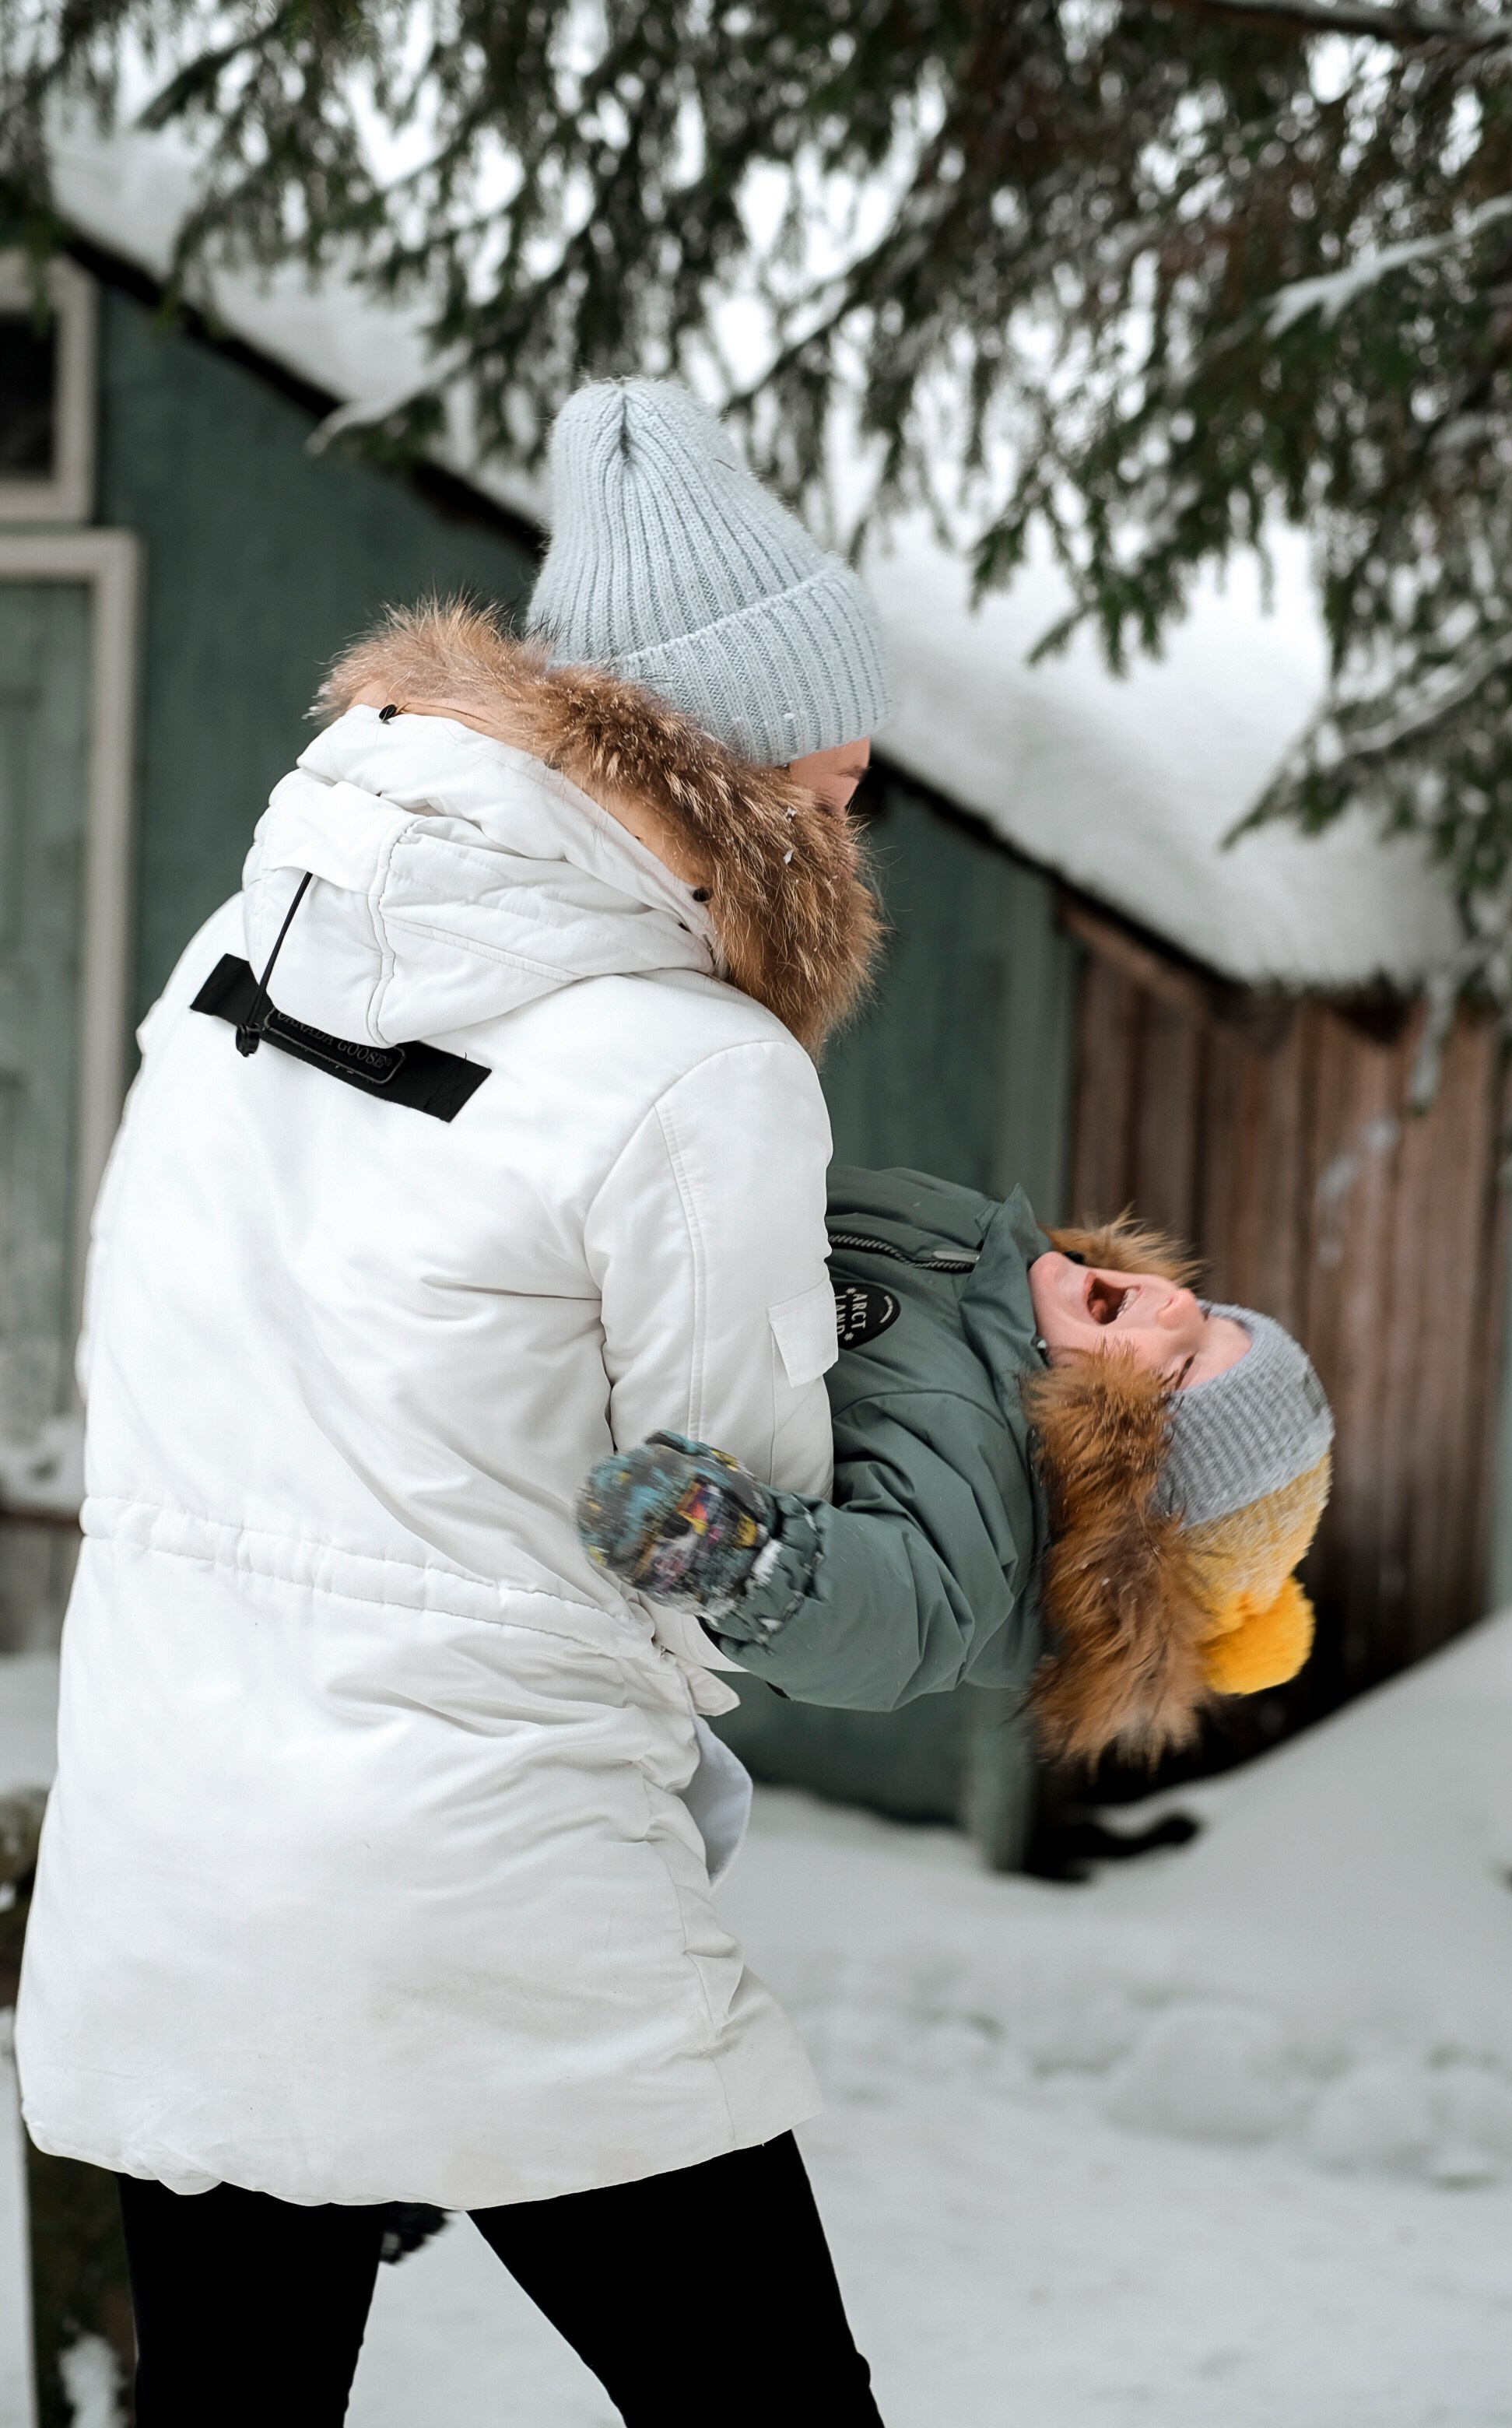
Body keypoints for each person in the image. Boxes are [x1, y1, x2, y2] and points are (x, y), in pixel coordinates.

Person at [17, 381, 892, 2425]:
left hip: (172, 1858)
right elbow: (707, 1533)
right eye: (842, 783)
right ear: (739, 763)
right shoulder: (699, 1069)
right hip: (493, 1892)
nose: (855, 822)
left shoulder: (244, 954)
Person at [578, 1163, 1335, 1758]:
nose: (1173, 1306)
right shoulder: (985, 1255)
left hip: (585, 1371)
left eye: (1174, 1374)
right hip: (619, 1212)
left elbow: (899, 1611)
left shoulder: (989, 1515)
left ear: (1107, 1486)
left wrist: (738, 1556)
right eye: (1207, 1317)